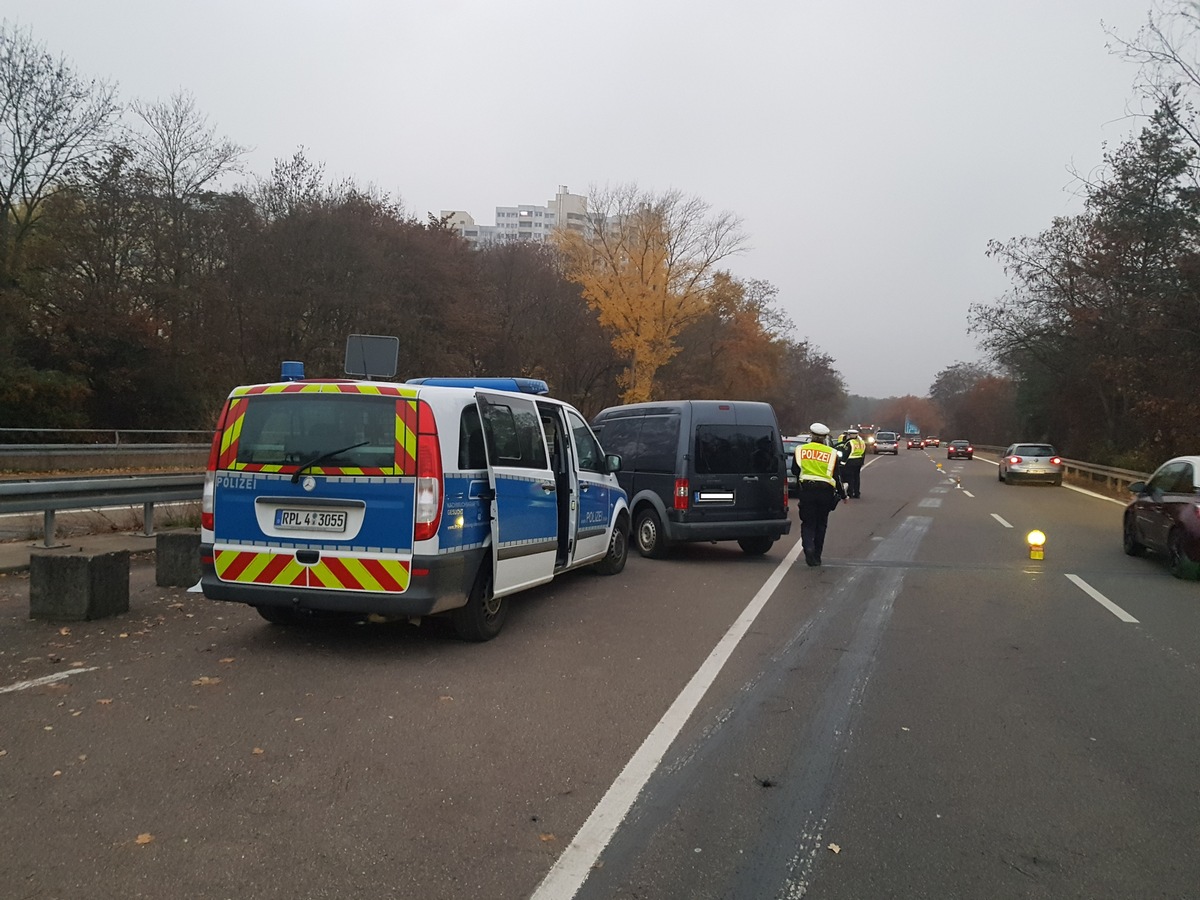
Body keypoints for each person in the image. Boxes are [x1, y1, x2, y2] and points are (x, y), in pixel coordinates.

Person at [793, 422, 846, 567]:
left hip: (807, 491)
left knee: (808, 523)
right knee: (821, 524)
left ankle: (808, 548)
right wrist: (843, 494)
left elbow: (794, 471)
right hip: (825, 492)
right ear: (825, 438)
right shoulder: (832, 453)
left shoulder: (800, 450)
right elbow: (837, 476)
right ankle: (817, 556)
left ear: (811, 435)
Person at [841, 428, 867, 499]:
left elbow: (845, 453)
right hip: (859, 462)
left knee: (850, 478)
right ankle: (857, 493)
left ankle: (850, 493)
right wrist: (862, 462)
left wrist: (842, 463)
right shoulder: (861, 442)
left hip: (850, 462)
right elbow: (863, 453)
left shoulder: (850, 442)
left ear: (850, 435)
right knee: (856, 477)